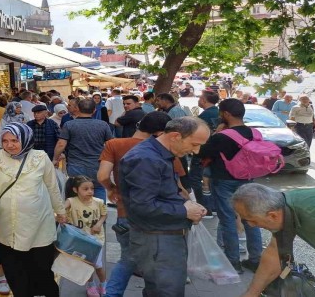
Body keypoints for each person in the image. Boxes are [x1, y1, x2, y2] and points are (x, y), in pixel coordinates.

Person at [120, 117, 209, 296]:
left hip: (162, 238)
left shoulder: (159, 155)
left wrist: (185, 203)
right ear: (176, 136)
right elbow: (143, 206)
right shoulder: (146, 158)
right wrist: (184, 210)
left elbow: (161, 194)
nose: (196, 151)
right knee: (166, 291)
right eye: (194, 144)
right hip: (158, 242)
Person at [97, 112, 179, 297]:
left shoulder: (114, 144)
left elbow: (102, 176)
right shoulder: (165, 149)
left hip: (126, 212)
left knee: (129, 257)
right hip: (159, 214)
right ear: (160, 132)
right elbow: (178, 185)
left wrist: (111, 189)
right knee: (143, 260)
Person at [0, 123, 65, 297]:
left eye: (14, 140)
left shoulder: (40, 157)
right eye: (5, 140)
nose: (9, 145)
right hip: (8, 226)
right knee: (16, 274)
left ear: (26, 139)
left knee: (43, 273)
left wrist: (61, 211)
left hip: (40, 224)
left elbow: (52, 186)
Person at [197, 99, 264, 273]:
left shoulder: (222, 136)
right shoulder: (254, 133)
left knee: (227, 220)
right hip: (248, 180)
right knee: (251, 219)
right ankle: (256, 260)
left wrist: (212, 135)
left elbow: (202, 153)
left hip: (224, 180)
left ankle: (233, 261)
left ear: (225, 114)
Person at [232, 184, 315, 297]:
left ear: (272, 216)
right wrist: (251, 294)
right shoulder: (283, 208)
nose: (251, 226)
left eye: (253, 221)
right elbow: (274, 254)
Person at [53, 98, 113, 201]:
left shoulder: (69, 125)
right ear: (94, 110)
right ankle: (99, 214)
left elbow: (61, 144)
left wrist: (55, 158)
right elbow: (110, 145)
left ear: (78, 109)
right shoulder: (103, 125)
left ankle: (78, 215)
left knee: (76, 191)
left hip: (75, 166)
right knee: (98, 188)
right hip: (97, 165)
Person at [65, 176, 108, 297]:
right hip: (81, 240)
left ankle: (104, 284)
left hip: (96, 240)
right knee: (87, 265)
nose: (90, 191)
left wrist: (99, 224)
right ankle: (91, 285)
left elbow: (104, 215)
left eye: (92, 188)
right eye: (85, 189)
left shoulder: (98, 202)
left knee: (98, 265)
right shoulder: (71, 201)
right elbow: (61, 209)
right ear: (75, 190)